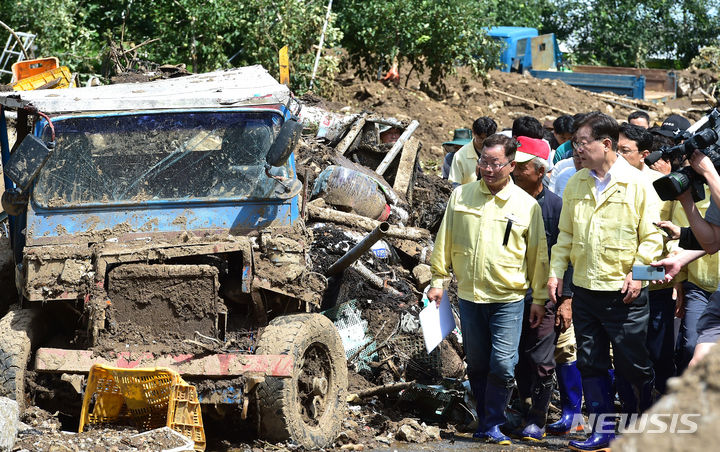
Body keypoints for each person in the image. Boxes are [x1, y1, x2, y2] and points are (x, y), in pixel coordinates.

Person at [547, 112, 663, 451]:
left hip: (624, 294)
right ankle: (602, 433)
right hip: (586, 290)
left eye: (582, 143)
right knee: (591, 361)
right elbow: (565, 235)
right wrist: (556, 273)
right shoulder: (576, 182)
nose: (576, 150)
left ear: (606, 144)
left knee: (633, 365)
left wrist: (639, 274)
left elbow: (654, 240)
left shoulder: (641, 183)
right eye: (574, 144)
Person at [429, 133, 549, 445]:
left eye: (496, 163)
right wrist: (438, 281)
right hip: (470, 296)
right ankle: (485, 422)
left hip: (508, 298)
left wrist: (538, 298)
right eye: (484, 161)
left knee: (503, 364)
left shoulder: (526, 206)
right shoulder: (462, 196)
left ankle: (494, 420)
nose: (488, 168)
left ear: (511, 165)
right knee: (479, 363)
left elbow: (538, 255)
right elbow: (445, 240)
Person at [511, 136, 573, 441]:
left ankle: (538, 417)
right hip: (510, 294)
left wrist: (566, 300)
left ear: (539, 170)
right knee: (518, 357)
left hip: (546, 296)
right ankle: (525, 413)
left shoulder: (556, 206)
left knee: (541, 360)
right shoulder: (507, 203)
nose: (514, 171)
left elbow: (568, 253)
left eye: (521, 166)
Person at [617, 122, 677, 399]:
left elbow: (673, 234)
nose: (618, 156)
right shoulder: (607, 181)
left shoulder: (662, 185)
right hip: (619, 281)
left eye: (625, 151)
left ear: (644, 154)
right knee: (625, 351)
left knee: (658, 350)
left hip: (656, 280)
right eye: (615, 149)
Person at [448, 117, 497, 185]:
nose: (484, 141)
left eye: (488, 138)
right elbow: (455, 183)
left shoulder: (499, 153)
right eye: (481, 138)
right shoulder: (461, 155)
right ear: (473, 132)